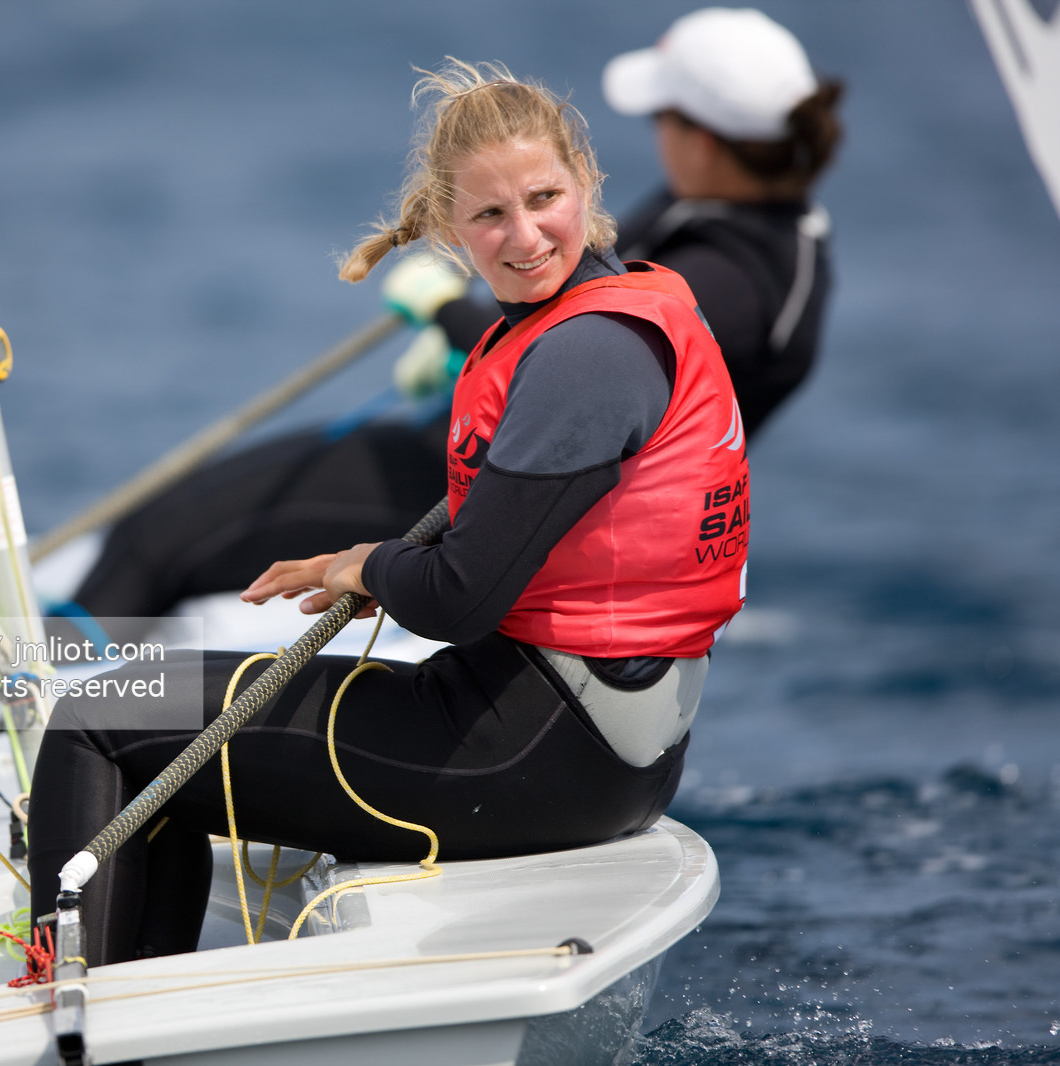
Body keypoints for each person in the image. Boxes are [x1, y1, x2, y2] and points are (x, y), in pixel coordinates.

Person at [28, 60, 749, 966]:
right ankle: (130, 1009)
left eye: (543, 198)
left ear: (588, 181)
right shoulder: (620, 307)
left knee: (99, 713)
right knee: (164, 738)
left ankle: (58, 1019)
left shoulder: (588, 356)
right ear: (452, 227)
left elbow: (457, 600)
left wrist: (364, 568)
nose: (524, 235)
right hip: (602, 747)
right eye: (490, 215)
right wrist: (375, 561)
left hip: (535, 753)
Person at [66, 8, 837, 634]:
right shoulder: (718, 215)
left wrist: (449, 314)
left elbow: (584, 359)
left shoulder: (736, 277)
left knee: (159, 542)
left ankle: (47, 714)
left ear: (698, 139)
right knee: (157, 530)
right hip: (478, 458)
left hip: (492, 496)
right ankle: (53, 696)